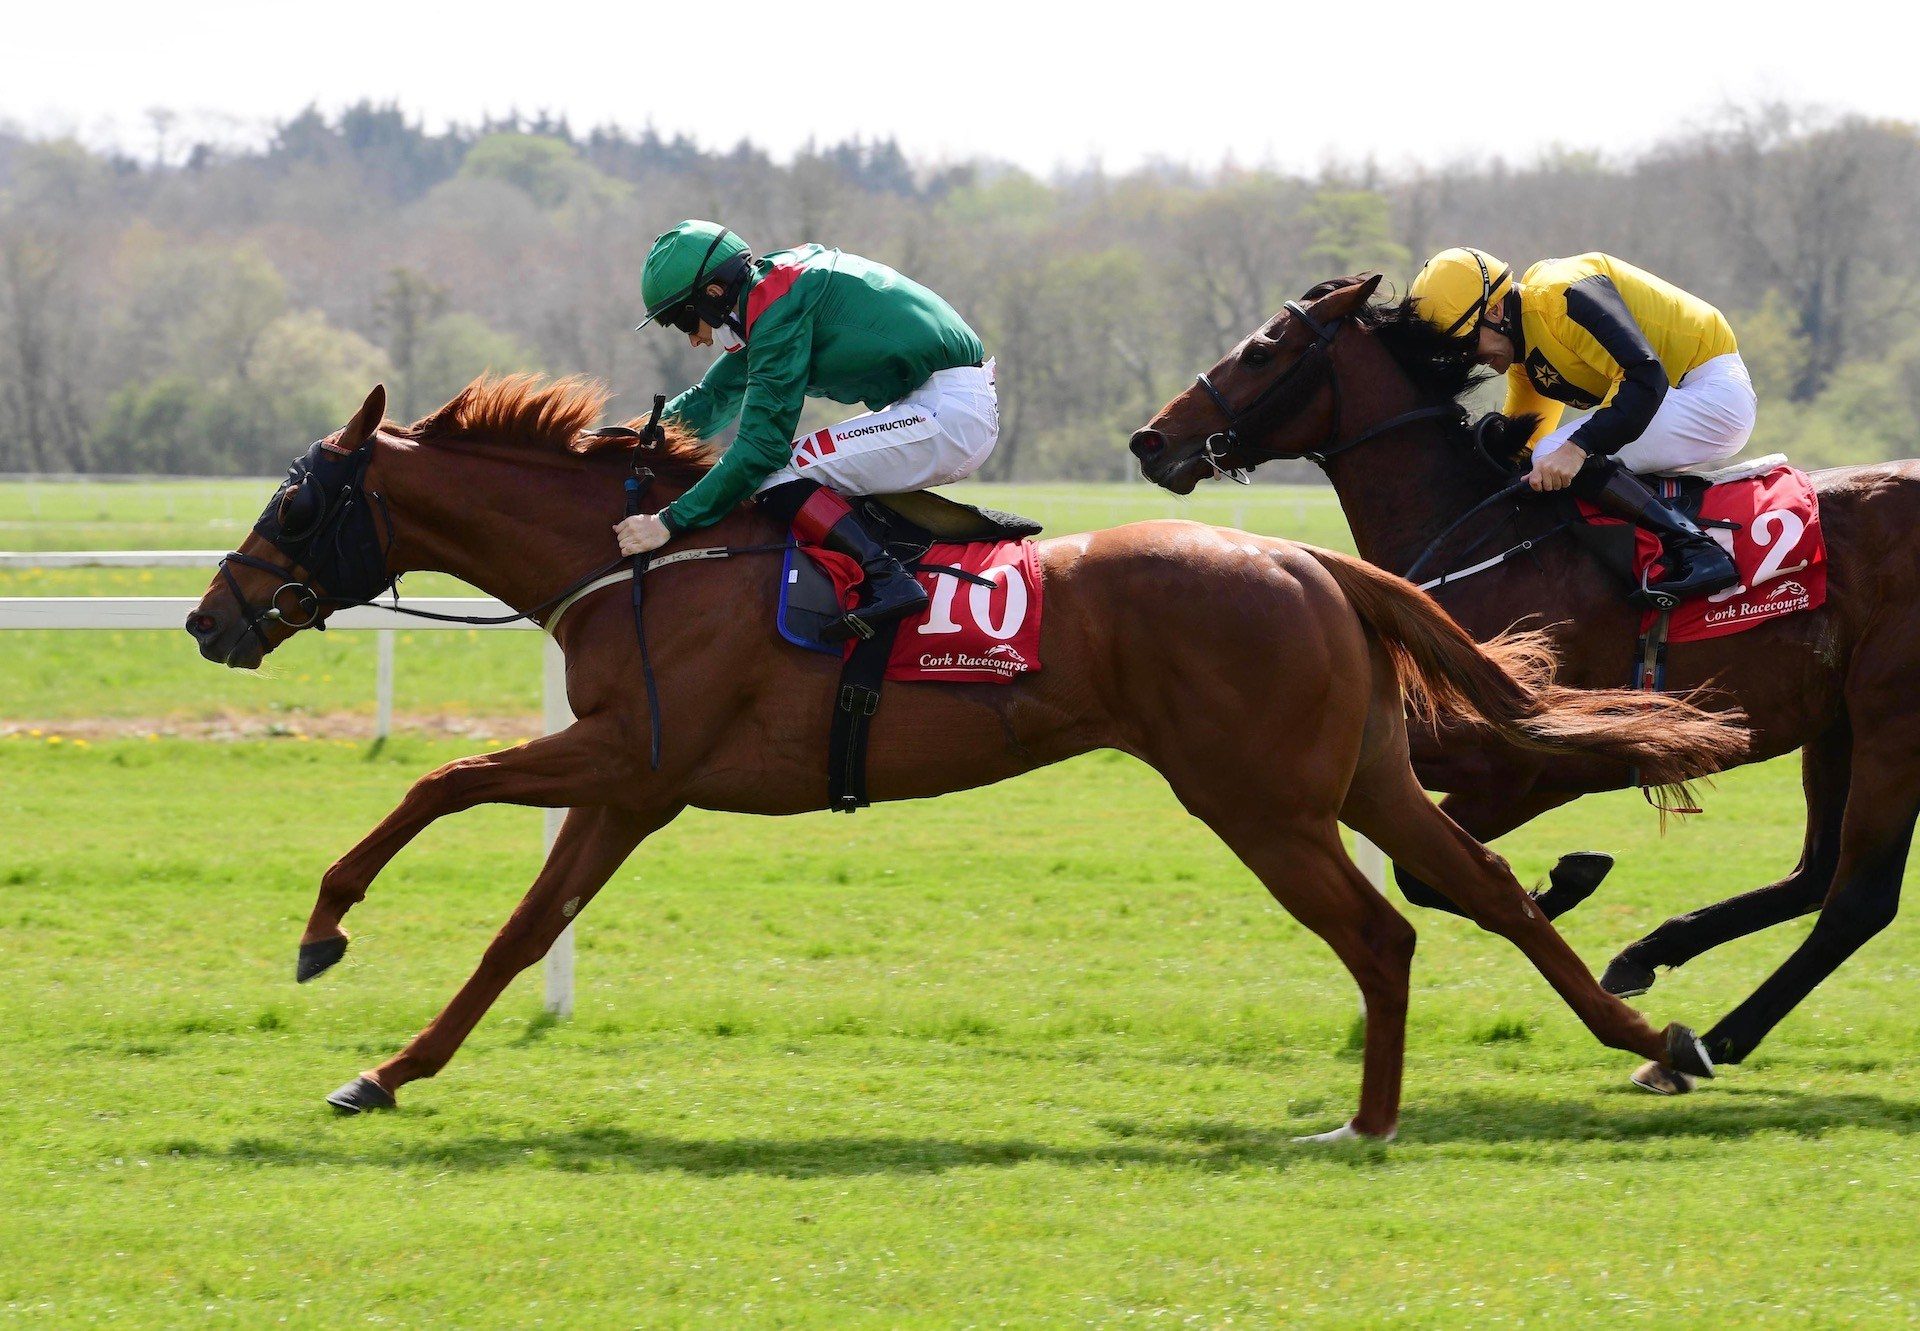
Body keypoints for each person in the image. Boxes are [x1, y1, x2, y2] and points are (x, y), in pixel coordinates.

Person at [616, 219, 997, 640]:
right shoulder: (774, 291)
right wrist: (632, 437)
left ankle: (888, 579)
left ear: (713, 294)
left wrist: (669, 522)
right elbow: (712, 397)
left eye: (686, 323)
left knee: (777, 472)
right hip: (936, 404)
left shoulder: (779, 308)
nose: (694, 341)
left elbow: (760, 450)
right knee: (791, 468)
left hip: (949, 414)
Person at [1409, 247, 1749, 606]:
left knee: (1555, 453)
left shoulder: (1561, 295)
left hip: (1713, 395)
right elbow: (1523, 445)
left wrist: (1578, 447)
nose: (1468, 359)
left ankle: (1697, 549)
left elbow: (1646, 377)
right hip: (1680, 398)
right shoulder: (1526, 355)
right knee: (1538, 462)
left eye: (1465, 343)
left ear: (1493, 310)